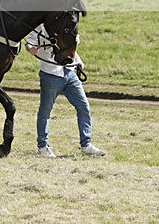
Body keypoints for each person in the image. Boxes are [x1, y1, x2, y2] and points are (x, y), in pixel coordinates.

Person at [25, 23, 106, 157]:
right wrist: (31, 49)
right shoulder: (41, 26)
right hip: (50, 74)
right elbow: (29, 43)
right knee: (45, 111)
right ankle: (42, 146)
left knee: (84, 107)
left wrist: (78, 60)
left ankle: (86, 145)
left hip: (69, 72)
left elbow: (70, 48)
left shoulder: (68, 25)